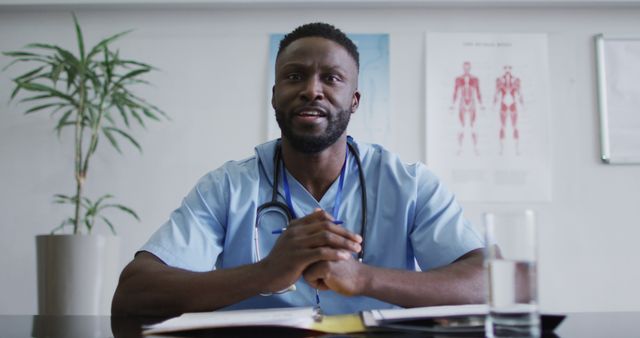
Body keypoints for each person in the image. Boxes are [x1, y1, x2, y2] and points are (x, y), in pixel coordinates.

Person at [111, 22, 485, 317]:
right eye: (294, 76)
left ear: (354, 101)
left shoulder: (409, 183)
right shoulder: (227, 186)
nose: (312, 90)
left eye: (331, 78)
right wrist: (267, 273)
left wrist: (362, 278)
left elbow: (489, 282)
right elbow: (135, 292)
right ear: (274, 95)